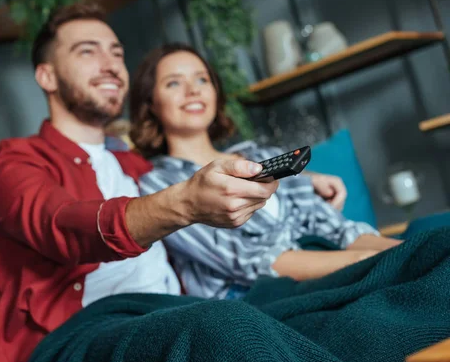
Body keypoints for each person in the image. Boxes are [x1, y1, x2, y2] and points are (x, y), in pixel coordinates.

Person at [0, 2, 282, 362]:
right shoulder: (12, 161)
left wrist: (304, 178)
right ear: (47, 77)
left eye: (116, 53)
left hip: (175, 313)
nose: (111, 65)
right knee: (228, 325)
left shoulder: (136, 165)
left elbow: (197, 161)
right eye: (88, 51)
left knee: (338, 299)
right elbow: (62, 224)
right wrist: (183, 203)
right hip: (79, 336)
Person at [129, 42, 402, 300]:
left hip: (331, 265)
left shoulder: (262, 156)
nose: (193, 90)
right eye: (174, 82)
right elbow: (249, 261)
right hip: (255, 301)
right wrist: (371, 263)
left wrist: (404, 253)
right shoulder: (159, 186)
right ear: (150, 103)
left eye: (202, 79)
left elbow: (334, 228)